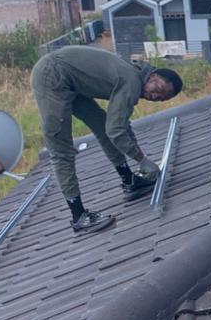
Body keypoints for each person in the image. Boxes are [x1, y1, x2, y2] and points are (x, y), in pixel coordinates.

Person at [31, 46, 183, 234]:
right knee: (61, 149)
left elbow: (120, 124)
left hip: (68, 78)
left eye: (161, 98)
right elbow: (116, 131)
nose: (155, 96)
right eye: (158, 89)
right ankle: (79, 217)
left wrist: (141, 158)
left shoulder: (134, 76)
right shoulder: (131, 81)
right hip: (52, 75)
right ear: (152, 76)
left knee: (103, 126)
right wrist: (142, 160)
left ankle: (129, 181)